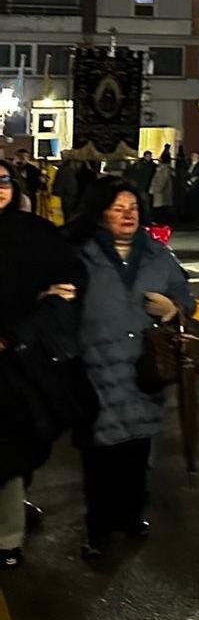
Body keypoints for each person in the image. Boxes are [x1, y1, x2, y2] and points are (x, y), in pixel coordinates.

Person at [69, 176, 194, 558]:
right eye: (118, 208)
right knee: (99, 458)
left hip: (144, 371)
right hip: (95, 370)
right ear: (100, 211)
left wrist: (174, 308)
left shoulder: (159, 257)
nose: (128, 215)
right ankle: (99, 530)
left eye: (133, 208)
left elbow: (185, 296)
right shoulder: (78, 254)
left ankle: (131, 515)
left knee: (138, 452)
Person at [0, 156, 86, 571]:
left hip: (23, 361)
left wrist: (34, 318)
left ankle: (8, 536)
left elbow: (70, 281)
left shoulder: (34, 233)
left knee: (18, 443)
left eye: (1, 180)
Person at [148, 145, 175, 220]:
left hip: (159, 192)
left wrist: (154, 189)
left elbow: (161, 181)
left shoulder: (163, 169)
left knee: (159, 208)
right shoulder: (166, 169)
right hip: (162, 192)